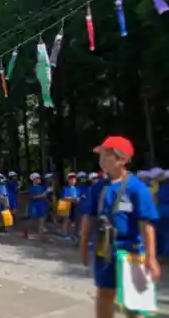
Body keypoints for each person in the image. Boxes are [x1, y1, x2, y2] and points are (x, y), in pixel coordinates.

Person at [80, 136, 160, 318]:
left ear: (122, 159)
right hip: (104, 251)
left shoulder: (136, 188)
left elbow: (147, 225)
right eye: (100, 155)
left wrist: (151, 257)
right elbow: (89, 217)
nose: (101, 160)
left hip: (130, 253)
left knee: (135, 302)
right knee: (104, 294)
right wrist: (83, 244)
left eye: (106, 155)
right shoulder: (98, 187)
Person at [24, 172, 47, 239]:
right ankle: (26, 232)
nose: (39, 179)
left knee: (41, 220)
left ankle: (40, 235)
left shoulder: (42, 187)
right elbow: (33, 197)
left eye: (39, 178)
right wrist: (42, 195)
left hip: (42, 205)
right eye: (37, 178)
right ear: (33, 179)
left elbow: (45, 196)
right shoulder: (31, 188)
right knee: (31, 219)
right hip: (33, 205)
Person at [61, 172, 79, 240]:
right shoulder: (65, 188)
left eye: (74, 179)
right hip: (65, 204)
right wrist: (73, 199)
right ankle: (65, 235)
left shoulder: (76, 189)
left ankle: (71, 234)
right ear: (68, 180)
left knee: (73, 221)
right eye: (71, 179)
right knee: (66, 220)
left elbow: (77, 197)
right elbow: (64, 198)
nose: (72, 180)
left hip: (73, 205)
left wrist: (76, 199)